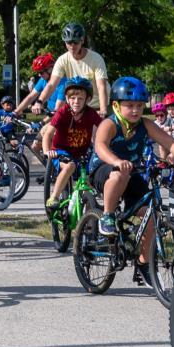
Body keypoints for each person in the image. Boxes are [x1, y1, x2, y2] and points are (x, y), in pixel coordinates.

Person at [91, 76, 174, 287]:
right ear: (116, 105)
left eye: (139, 105)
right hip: (104, 170)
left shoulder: (145, 124)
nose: (135, 110)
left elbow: (169, 142)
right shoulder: (110, 124)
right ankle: (107, 216)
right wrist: (117, 161)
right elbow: (100, 146)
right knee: (118, 174)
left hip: (133, 172)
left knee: (150, 215)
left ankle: (144, 264)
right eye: (129, 106)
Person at [39, 77, 101, 210]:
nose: (76, 101)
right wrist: (46, 151)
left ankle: (90, 222)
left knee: (89, 181)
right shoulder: (63, 112)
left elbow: (104, 130)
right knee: (70, 166)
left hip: (82, 154)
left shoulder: (91, 114)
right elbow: (48, 134)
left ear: (87, 99)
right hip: (60, 152)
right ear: (67, 99)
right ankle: (54, 197)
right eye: (72, 98)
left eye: (80, 98)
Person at [47, 23, 109, 115]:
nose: (72, 46)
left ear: (82, 40)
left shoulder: (96, 58)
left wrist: (103, 109)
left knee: (99, 129)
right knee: (49, 128)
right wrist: (39, 102)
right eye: (68, 42)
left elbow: (101, 86)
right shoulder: (62, 60)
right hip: (77, 106)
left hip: (97, 106)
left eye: (75, 42)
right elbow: (51, 84)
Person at [11, 52, 58, 117]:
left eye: (41, 72)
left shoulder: (62, 82)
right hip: (52, 115)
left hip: (63, 116)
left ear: (51, 69)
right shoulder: (43, 80)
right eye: (38, 72)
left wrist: (41, 123)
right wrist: (15, 112)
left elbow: (58, 110)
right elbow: (31, 96)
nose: (39, 75)